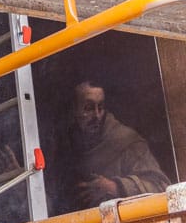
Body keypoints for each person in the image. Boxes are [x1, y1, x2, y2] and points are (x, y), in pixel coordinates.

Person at [49, 79, 170, 213]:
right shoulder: (66, 145)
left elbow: (161, 188)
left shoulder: (127, 142)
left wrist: (114, 187)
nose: (97, 115)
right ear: (73, 110)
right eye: (88, 108)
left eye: (100, 107)